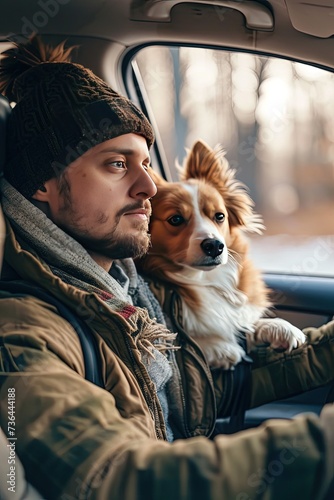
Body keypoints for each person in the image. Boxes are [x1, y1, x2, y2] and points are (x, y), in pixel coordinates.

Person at [0, 35, 333, 500]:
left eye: (145, 163)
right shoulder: (24, 330)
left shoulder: (124, 287)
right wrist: (321, 452)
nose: (148, 188)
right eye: (117, 165)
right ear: (44, 184)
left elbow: (198, 397)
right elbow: (112, 479)